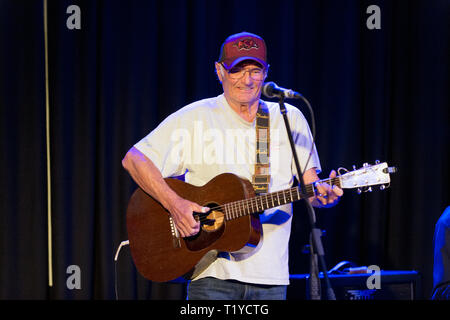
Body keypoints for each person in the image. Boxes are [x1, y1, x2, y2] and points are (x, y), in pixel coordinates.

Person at [122, 31, 343, 300]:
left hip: (270, 276)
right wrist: (175, 204)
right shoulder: (195, 117)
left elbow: (312, 191)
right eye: (237, 70)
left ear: (266, 72)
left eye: (255, 70)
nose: (247, 80)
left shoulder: (289, 118)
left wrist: (325, 196)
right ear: (219, 71)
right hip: (211, 273)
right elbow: (135, 159)